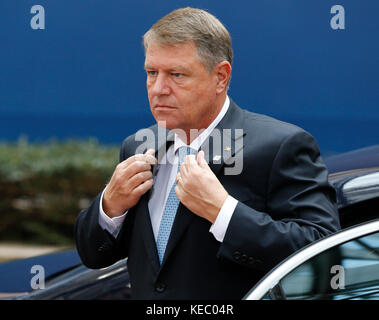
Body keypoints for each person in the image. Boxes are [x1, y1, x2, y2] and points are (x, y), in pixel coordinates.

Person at [75, 7, 340, 299]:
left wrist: (223, 211)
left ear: (220, 77)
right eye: (152, 73)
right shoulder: (138, 145)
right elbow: (93, 256)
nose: (159, 88)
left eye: (177, 74)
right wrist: (110, 207)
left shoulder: (281, 146)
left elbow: (322, 251)